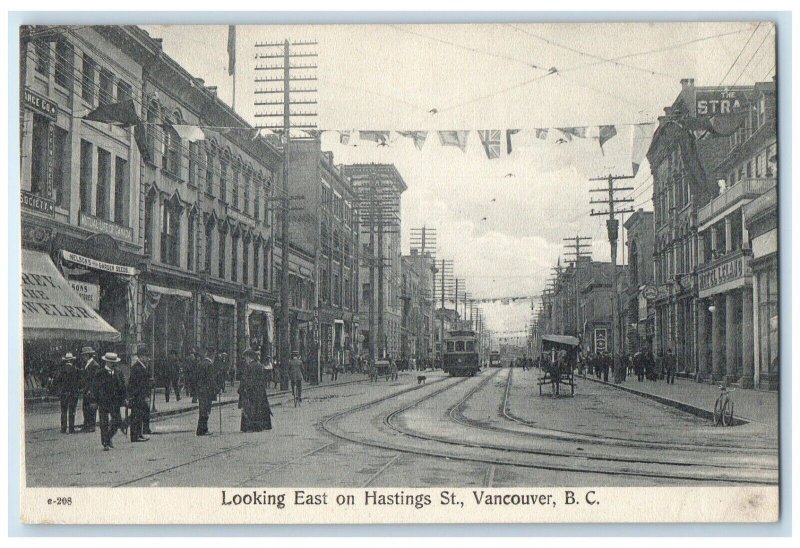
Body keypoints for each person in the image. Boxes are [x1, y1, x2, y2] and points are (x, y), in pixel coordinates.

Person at [94, 352, 127, 451]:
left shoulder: (118, 372)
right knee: (104, 423)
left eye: (115, 362)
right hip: (103, 402)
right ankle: (105, 443)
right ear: (107, 362)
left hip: (115, 402)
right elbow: (95, 388)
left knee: (117, 422)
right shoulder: (100, 373)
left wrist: (124, 398)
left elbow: (123, 387)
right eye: (111, 362)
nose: (113, 364)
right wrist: (95, 400)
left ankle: (108, 438)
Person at [238, 349, 273, 432]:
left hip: (250, 390)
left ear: (249, 357)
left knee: (249, 408)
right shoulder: (260, 365)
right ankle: (260, 426)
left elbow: (244, 380)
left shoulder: (248, 367)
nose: (245, 360)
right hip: (259, 390)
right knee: (259, 407)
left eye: (246, 358)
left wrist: (240, 389)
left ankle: (250, 427)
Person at [52, 352, 81, 434]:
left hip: (64, 393)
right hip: (73, 393)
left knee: (63, 411)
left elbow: (57, 381)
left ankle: (63, 428)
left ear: (65, 360)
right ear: (72, 360)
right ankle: (71, 429)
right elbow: (79, 382)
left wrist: (61, 389)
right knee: (72, 411)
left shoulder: (61, 370)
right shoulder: (76, 370)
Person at [127, 351, 152, 442]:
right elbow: (138, 384)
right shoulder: (137, 368)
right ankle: (135, 436)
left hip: (140, 395)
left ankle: (139, 433)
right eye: (146, 356)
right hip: (137, 395)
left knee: (140, 415)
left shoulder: (142, 367)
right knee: (136, 416)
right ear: (141, 357)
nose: (147, 359)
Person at [196, 347, 217, 436]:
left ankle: (200, 429)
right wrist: (216, 388)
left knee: (202, 409)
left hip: (200, 390)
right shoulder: (210, 365)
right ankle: (203, 429)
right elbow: (211, 379)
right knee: (206, 410)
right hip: (207, 391)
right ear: (212, 355)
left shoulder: (200, 363)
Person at [79, 347, 100, 432]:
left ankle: (91, 425)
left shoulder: (94, 365)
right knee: (85, 407)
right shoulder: (87, 364)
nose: (83, 357)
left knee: (91, 408)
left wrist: (91, 390)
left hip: (91, 391)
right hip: (86, 390)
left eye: (84, 355)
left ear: (87, 355)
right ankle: (86, 425)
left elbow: (95, 380)